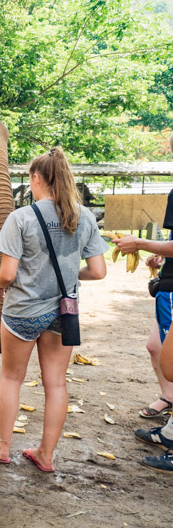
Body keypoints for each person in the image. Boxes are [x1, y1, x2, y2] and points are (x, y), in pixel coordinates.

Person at [0, 147, 107, 472]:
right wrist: (71, 275)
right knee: (56, 384)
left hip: (22, 311)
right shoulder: (84, 217)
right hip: (63, 312)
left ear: (37, 178)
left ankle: (3, 447)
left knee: (11, 378)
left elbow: (8, 273)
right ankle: (46, 454)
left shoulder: (21, 218)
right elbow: (98, 271)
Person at [115, 189, 173, 472]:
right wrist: (163, 261)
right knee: (155, 347)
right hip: (167, 285)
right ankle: (170, 428)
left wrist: (139, 243)